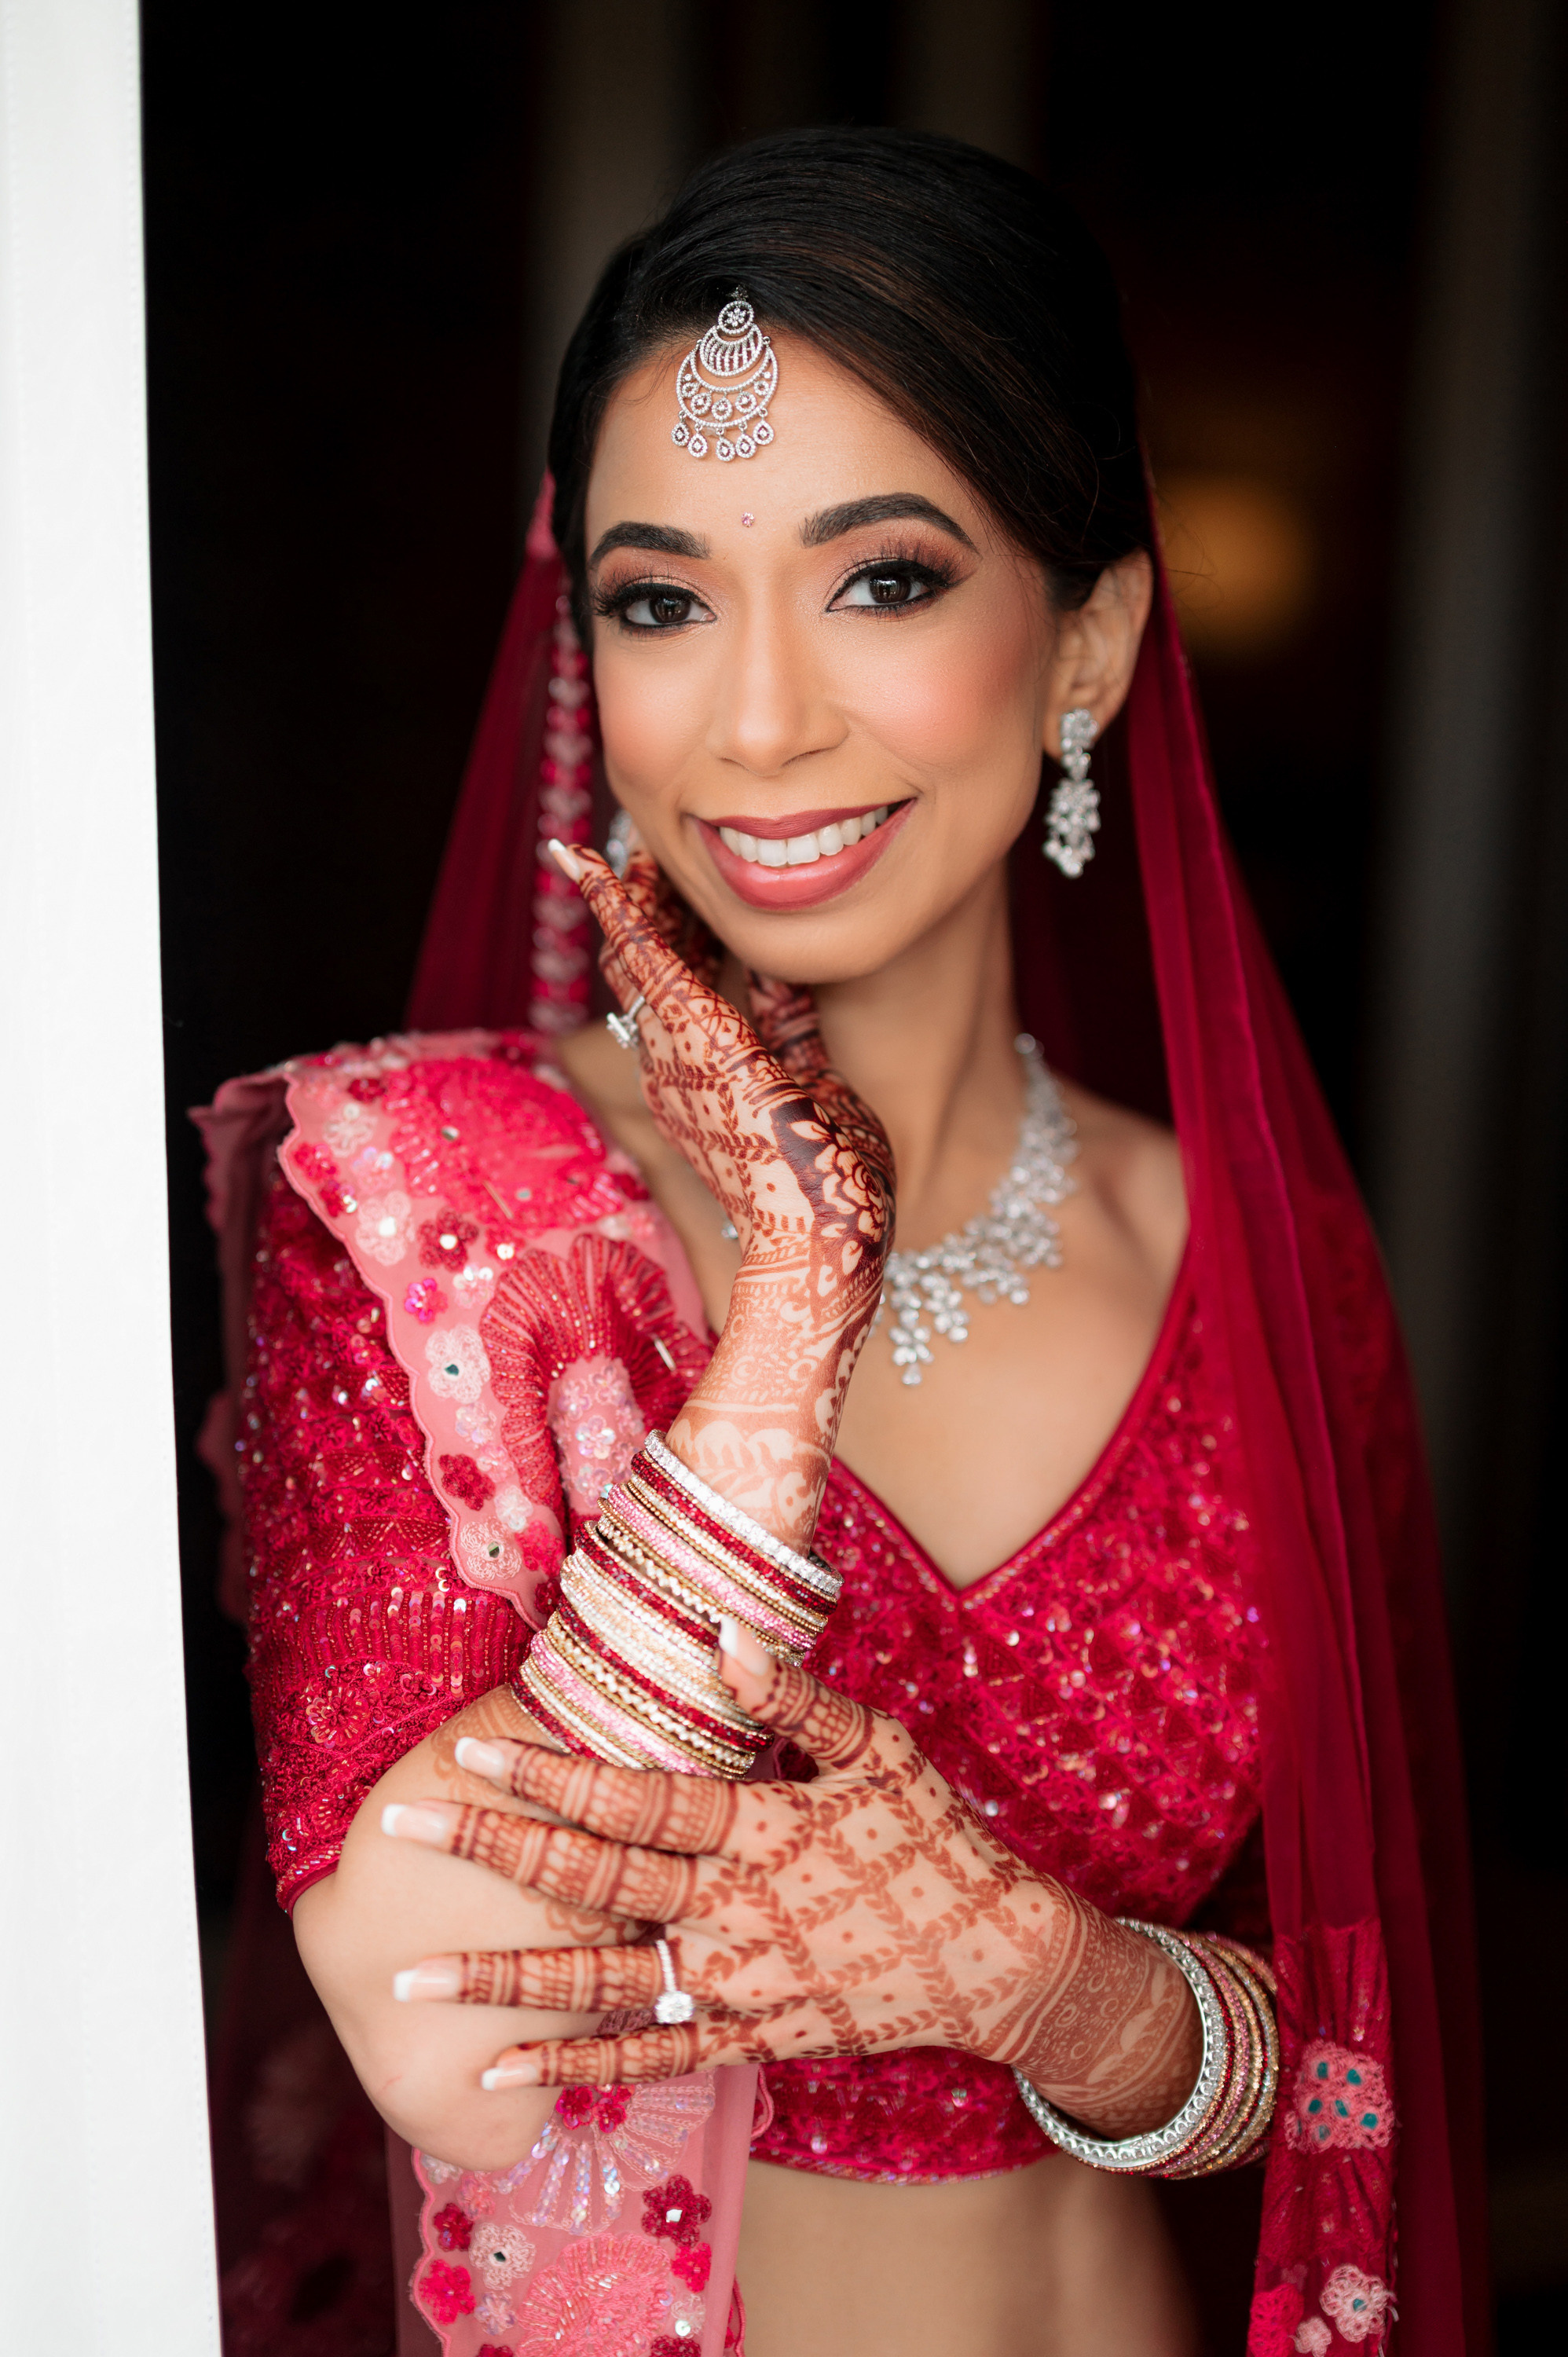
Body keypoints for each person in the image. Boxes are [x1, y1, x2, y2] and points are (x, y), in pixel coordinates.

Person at [199, 130, 1486, 2357]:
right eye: (662, 597)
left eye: (880, 579)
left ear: (1082, 639)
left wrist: (1046, 1985)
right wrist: (791, 1320)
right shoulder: (438, 1208)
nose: (761, 715)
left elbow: (1361, 2064)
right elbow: (439, 2033)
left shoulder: (1251, 1252)